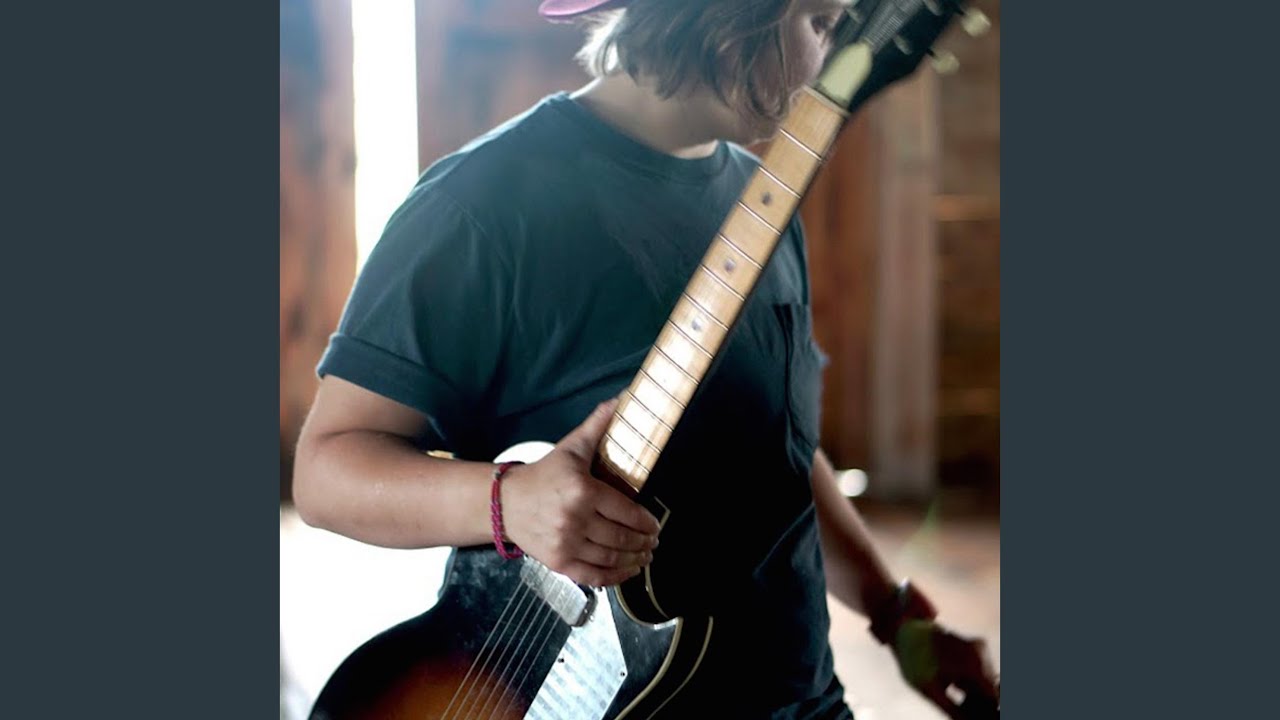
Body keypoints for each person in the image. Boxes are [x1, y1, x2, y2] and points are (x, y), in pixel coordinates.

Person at [292, 0, 999, 717]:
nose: (828, 58)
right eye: (819, 23)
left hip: (803, 701)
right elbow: (325, 473)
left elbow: (778, 450)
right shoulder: (480, 205)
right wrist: (510, 503)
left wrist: (894, 616)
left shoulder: (761, 201)